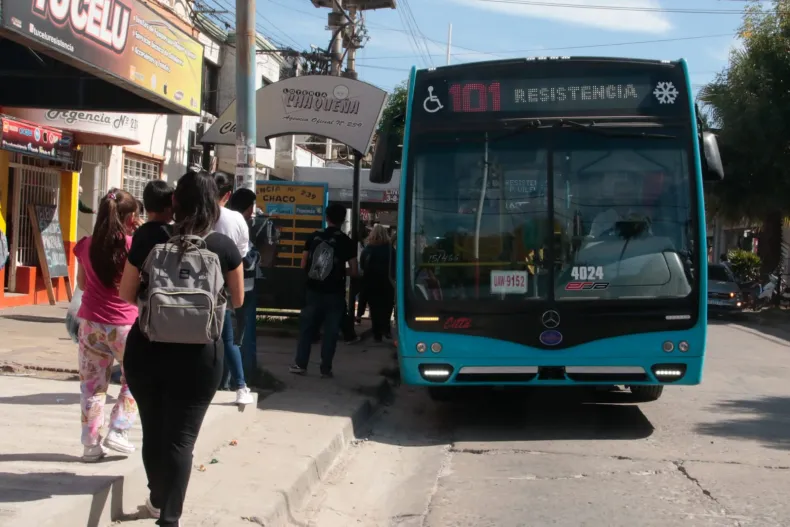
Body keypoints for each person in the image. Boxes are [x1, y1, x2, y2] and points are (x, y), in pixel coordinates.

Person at [119, 169, 244, 526]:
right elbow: (237, 300)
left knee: (154, 431)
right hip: (201, 356)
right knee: (181, 440)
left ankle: (157, 499)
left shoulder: (149, 237)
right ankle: (169, 519)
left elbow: (125, 294)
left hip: (147, 349)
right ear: (214, 205)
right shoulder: (223, 247)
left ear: (175, 201)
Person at [73, 188, 140, 462]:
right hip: (125, 325)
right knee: (134, 378)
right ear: (130, 217)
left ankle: (90, 444)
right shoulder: (133, 246)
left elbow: (81, 284)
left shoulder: (85, 245)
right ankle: (119, 430)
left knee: (92, 386)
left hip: (90, 324)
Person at [290, 203, 359, 378]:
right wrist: (339, 271)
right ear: (343, 219)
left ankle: (300, 364)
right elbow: (354, 271)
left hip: (313, 291)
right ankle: (325, 368)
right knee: (331, 332)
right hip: (335, 293)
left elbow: (303, 264)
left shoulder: (314, 237)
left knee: (306, 329)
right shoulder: (347, 242)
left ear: (327, 218)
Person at [211, 172, 253, 405]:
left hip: (192, 286)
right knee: (228, 339)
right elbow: (242, 255)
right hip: (223, 286)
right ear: (228, 195)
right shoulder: (236, 219)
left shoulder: (196, 215)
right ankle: (240, 385)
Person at [226, 188, 264, 376]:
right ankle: (243, 375)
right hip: (244, 287)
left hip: (223, 287)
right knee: (239, 336)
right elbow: (248, 260)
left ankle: (226, 378)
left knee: (226, 335)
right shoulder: (241, 224)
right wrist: (257, 255)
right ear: (249, 208)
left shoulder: (221, 221)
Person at [361, 225, 394, 342]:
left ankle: (377, 333)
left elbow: (362, 265)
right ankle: (386, 328)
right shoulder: (390, 249)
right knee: (387, 307)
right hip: (387, 282)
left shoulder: (368, 249)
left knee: (374, 308)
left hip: (372, 282)